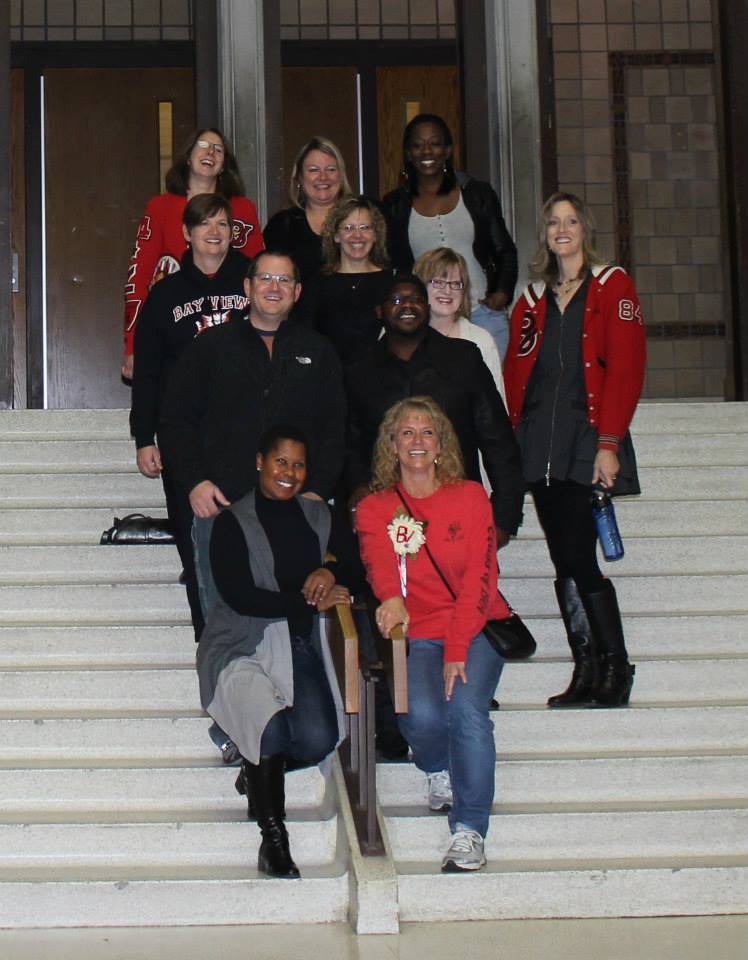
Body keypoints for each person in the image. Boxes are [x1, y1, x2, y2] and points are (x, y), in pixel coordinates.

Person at [503, 192, 646, 708]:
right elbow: (517, 371)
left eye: (570, 221)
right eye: (552, 223)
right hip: (539, 439)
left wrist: (608, 443)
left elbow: (627, 368)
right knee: (563, 558)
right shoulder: (531, 297)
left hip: (586, 436)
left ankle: (615, 667)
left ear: (585, 228)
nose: (561, 230)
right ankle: (585, 670)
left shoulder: (612, 284)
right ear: (544, 234)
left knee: (581, 557)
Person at [356, 397, 508, 872]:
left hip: (476, 628)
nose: (417, 441)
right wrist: (390, 597)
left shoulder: (471, 497)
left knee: (466, 712)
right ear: (392, 445)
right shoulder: (375, 507)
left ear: (441, 445)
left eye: (427, 432)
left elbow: (481, 579)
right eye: (407, 432)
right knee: (419, 716)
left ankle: (469, 829)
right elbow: (378, 564)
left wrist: (458, 648)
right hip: (419, 633)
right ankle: (437, 766)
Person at [197, 425, 352, 878]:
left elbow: (358, 566)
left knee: (319, 739)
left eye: (299, 464)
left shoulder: (319, 515)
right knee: (270, 729)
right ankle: (273, 840)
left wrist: (332, 575)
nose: (290, 472)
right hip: (242, 645)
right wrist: (307, 601)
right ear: (260, 462)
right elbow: (240, 596)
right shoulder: (230, 522)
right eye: (281, 461)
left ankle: (257, 771)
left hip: (298, 644)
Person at [129, 193, 248, 639]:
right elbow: (148, 372)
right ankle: (210, 642)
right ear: (186, 233)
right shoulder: (165, 295)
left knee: (248, 543)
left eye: (222, 224)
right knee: (194, 543)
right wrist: (144, 436)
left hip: (246, 433)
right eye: (204, 224)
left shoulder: (254, 283)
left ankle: (254, 643)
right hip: (186, 438)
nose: (214, 232)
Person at [345, 274, 524, 549]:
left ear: (427, 308)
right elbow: (351, 444)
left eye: (416, 299)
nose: (407, 305)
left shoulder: (463, 358)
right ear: (379, 311)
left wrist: (503, 519)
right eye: (397, 300)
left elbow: (498, 441)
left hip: (457, 512)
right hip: (388, 516)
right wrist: (358, 489)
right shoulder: (360, 370)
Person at [123, 127, 263, 379]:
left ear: (224, 165)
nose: (210, 152)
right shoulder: (160, 208)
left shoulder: (243, 209)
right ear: (187, 157)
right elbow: (139, 278)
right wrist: (133, 344)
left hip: (234, 336)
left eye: (218, 149)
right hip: (175, 329)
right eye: (203, 145)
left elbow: (260, 276)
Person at [381, 113, 517, 360]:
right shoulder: (395, 205)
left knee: (488, 383)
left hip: (482, 314)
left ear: (447, 150)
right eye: (417, 145)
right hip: (425, 321)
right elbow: (390, 263)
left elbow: (504, 249)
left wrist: (502, 294)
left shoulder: (477, 194)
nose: (426, 151)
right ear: (409, 153)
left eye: (434, 143)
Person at [301, 195, 394, 366]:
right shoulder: (316, 285)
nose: (357, 235)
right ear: (336, 236)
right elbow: (307, 342)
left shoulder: (393, 283)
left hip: (382, 377)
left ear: (375, 234)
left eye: (365, 227)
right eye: (348, 228)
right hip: (330, 377)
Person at [263, 137, 352, 303]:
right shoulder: (282, 225)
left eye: (331, 169)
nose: (323, 177)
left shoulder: (361, 220)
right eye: (313, 170)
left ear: (341, 176)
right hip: (298, 317)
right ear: (299, 177)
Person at [413, 246, 506, 403]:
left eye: (456, 284)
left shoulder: (480, 340)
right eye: (438, 282)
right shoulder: (399, 335)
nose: (448, 291)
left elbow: (497, 405)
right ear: (419, 287)